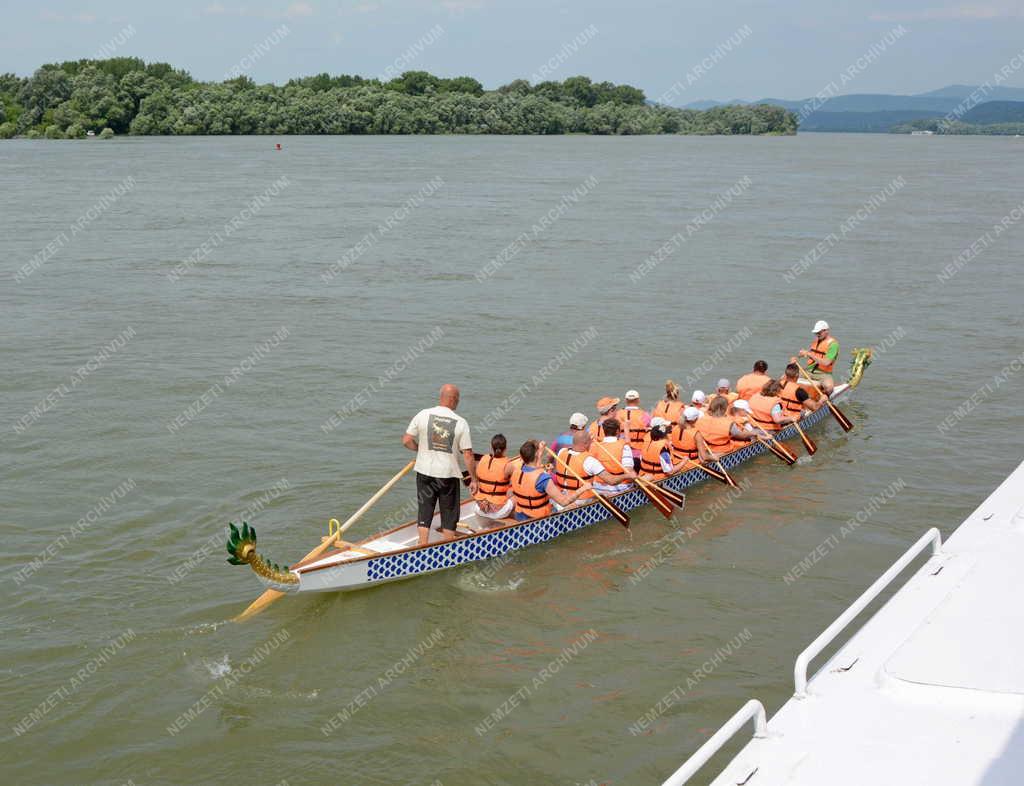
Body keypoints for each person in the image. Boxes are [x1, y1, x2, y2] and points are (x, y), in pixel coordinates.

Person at [403, 384, 477, 545]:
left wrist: (420, 450)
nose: (458, 403)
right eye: (458, 399)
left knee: (425, 509)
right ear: (453, 399)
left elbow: (407, 440)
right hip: (447, 475)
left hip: (424, 471)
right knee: (449, 513)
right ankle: (448, 548)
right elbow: (468, 454)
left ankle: (422, 545)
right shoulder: (460, 422)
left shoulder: (423, 414)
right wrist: (474, 479)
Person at [510, 439, 592, 520]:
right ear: (537, 454)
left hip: (520, 515)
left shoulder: (516, 470)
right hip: (539, 519)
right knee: (572, 505)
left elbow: (534, 464)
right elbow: (564, 502)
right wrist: (583, 489)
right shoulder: (543, 479)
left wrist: (541, 448)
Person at [556, 429, 637, 502]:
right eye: (590, 442)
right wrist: (627, 475)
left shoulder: (561, 452)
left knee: (602, 493)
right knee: (606, 495)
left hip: (562, 496)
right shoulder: (589, 461)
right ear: (586, 444)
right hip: (582, 499)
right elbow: (611, 481)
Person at [472, 434, 516, 521]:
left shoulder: (483, 459)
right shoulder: (508, 465)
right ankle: (516, 522)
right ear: (505, 449)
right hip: (497, 512)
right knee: (517, 496)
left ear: (491, 448)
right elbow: (518, 482)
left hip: (480, 507)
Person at [588, 417, 637, 493]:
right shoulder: (624, 446)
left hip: (598, 488)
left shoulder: (594, 446)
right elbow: (628, 473)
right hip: (620, 488)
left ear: (604, 431)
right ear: (617, 431)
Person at [795, 320, 839, 394]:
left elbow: (826, 362)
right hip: (809, 370)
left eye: (819, 332)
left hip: (823, 373)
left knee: (829, 388)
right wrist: (799, 356)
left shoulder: (833, 345)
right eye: (816, 333)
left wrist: (809, 354)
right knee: (787, 376)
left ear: (826, 331)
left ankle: (822, 400)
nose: (817, 335)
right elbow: (810, 353)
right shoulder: (816, 341)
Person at [619, 389, 651, 467]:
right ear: (638, 400)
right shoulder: (644, 415)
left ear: (626, 400)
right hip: (638, 452)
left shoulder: (618, 414)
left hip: (622, 451)